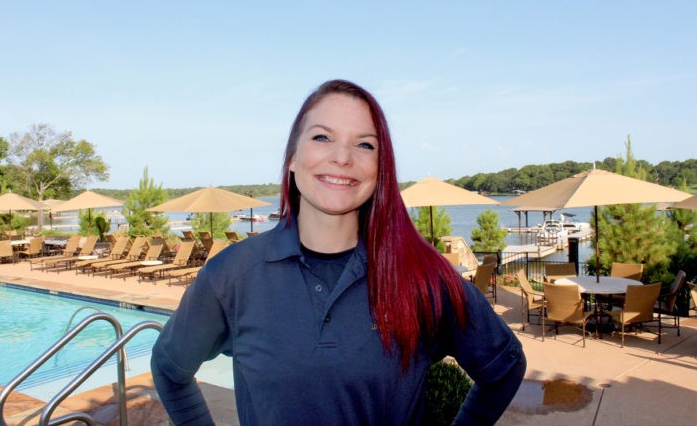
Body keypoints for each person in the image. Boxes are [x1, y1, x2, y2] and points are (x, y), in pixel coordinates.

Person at [151, 79, 526, 425]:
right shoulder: (232, 276)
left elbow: (504, 367)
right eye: (322, 137)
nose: (343, 157)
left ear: (380, 169)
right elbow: (170, 369)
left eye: (364, 144)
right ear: (292, 158)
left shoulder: (423, 276)